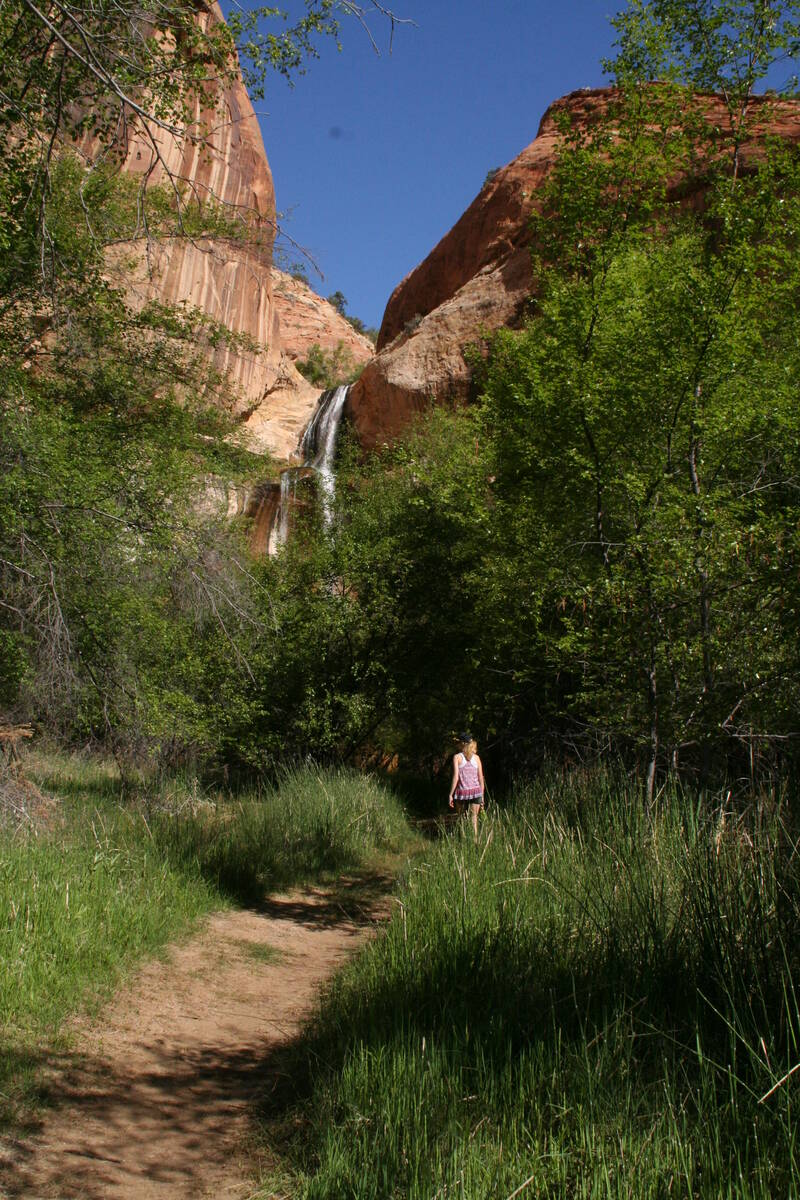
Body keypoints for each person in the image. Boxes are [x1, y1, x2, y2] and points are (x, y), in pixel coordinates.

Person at [448, 732, 485, 837]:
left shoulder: (457, 757)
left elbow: (456, 777)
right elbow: (481, 779)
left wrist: (450, 794)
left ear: (462, 743)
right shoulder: (477, 758)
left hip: (462, 793)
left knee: (461, 819)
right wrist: (482, 796)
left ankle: (463, 844)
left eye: (459, 742)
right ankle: (475, 844)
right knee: (474, 820)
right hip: (476, 792)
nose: (457, 744)